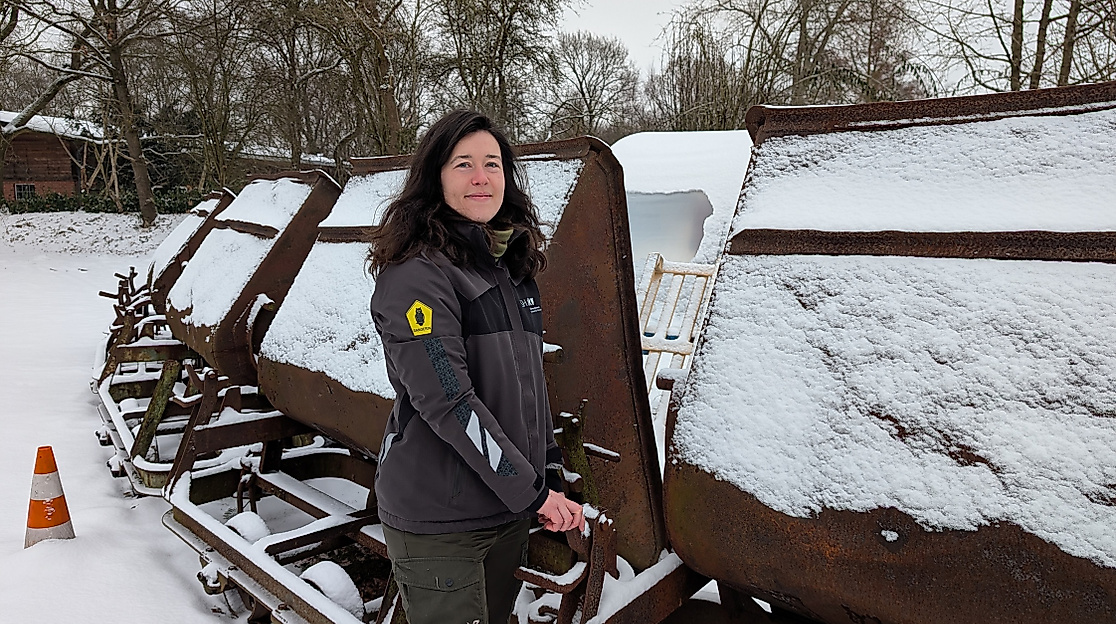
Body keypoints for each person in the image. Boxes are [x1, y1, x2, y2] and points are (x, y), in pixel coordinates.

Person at [367, 110, 586, 624]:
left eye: (492, 163)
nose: (481, 177)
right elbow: (450, 402)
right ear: (435, 177)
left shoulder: (507, 267)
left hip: (505, 511)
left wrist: (548, 471)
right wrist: (531, 490)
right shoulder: (417, 277)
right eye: (463, 164)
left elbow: (529, 387)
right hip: (444, 521)